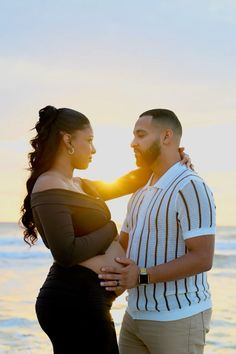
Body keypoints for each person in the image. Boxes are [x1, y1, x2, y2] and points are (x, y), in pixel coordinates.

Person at [20, 106, 191, 354]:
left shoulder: (80, 185)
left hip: (89, 300)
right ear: (68, 140)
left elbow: (131, 181)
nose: (93, 149)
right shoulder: (49, 184)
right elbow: (66, 252)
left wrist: (173, 159)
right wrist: (110, 229)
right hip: (72, 300)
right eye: (88, 141)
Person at [99, 109, 216, 354]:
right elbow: (123, 245)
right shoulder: (140, 192)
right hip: (134, 317)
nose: (133, 142)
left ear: (166, 137)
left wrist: (141, 275)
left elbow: (202, 258)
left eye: (141, 135)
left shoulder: (191, 186)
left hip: (178, 319)